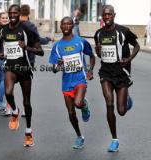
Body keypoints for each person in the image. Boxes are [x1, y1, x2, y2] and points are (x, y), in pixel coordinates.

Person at [94, 5, 140, 152]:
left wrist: (129, 59)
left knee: (121, 111)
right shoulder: (98, 34)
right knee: (109, 103)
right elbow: (102, 55)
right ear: (102, 16)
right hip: (106, 73)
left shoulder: (123, 31)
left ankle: (127, 99)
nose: (107, 17)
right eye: (104, 15)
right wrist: (98, 52)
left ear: (114, 15)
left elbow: (137, 45)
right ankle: (114, 139)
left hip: (121, 73)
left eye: (109, 14)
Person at [0, 4, 44, 147]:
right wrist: (2, 54)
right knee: (8, 92)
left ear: (19, 14)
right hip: (10, 67)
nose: (12, 15)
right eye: (10, 13)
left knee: (27, 102)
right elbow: (4, 46)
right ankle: (14, 111)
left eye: (15, 13)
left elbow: (40, 51)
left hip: (25, 68)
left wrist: (27, 47)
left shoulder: (27, 29)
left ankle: (28, 131)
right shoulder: (4, 30)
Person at [49, 16, 95, 149]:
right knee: (71, 113)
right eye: (63, 24)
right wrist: (58, 65)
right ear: (61, 27)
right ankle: (79, 136)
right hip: (66, 83)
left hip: (80, 79)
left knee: (78, 103)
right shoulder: (57, 46)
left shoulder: (80, 41)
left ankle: (84, 105)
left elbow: (91, 56)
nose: (66, 26)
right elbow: (54, 70)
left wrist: (90, 70)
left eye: (69, 24)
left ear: (72, 26)